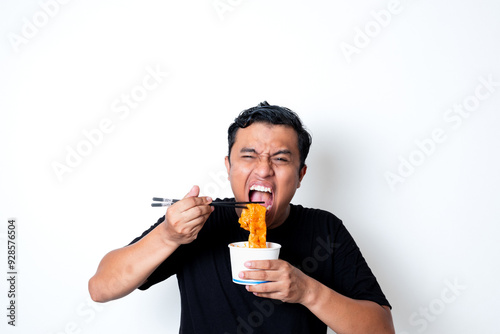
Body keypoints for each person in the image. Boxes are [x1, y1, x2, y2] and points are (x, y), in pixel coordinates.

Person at [88, 102, 395, 334]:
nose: (263, 170)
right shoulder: (197, 222)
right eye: (249, 156)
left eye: (281, 158)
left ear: (301, 175)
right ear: (228, 166)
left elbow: (382, 329)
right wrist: (168, 236)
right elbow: (100, 288)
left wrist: (307, 291)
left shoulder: (325, 230)